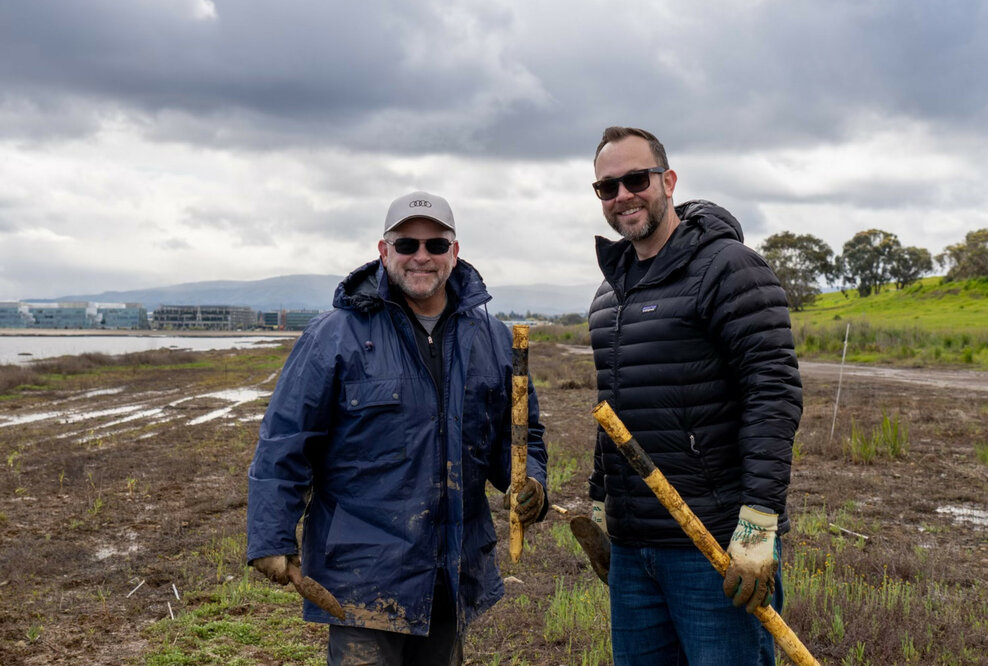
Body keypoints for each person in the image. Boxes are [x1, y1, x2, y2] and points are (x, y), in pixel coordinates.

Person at [246, 190, 548, 665]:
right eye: (407, 245)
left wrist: (530, 482)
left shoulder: (494, 340)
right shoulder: (335, 337)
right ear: (383, 251)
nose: (421, 257)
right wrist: (271, 535)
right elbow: (286, 441)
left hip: (452, 570)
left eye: (435, 245)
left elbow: (521, 436)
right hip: (362, 580)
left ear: (456, 251)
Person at [586, 127, 803, 665]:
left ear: (668, 181)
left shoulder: (728, 267)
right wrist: (599, 500)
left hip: (713, 546)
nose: (623, 196)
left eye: (636, 180)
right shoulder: (607, 295)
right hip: (634, 553)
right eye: (607, 188)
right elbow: (617, 404)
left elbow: (773, 390)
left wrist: (758, 523)